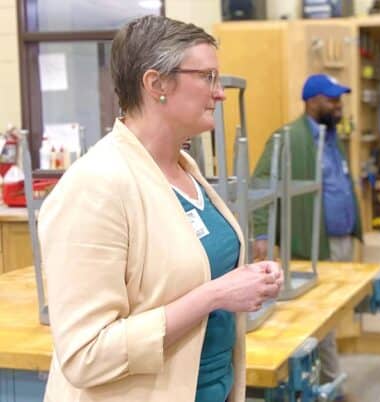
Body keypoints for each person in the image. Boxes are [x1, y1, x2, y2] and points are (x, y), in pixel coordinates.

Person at [39, 15, 283, 402]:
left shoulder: (185, 169)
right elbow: (85, 355)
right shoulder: (96, 185)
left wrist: (249, 278)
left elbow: (190, 269)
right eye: (207, 77)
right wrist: (215, 295)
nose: (218, 94)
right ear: (156, 84)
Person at [250, 74, 363, 392]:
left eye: (339, 98)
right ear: (311, 101)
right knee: (317, 319)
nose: (338, 105)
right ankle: (328, 386)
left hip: (340, 241)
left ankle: (325, 382)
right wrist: (262, 235)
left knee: (331, 316)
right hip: (309, 244)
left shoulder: (331, 137)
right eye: (331, 99)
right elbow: (260, 185)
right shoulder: (286, 138)